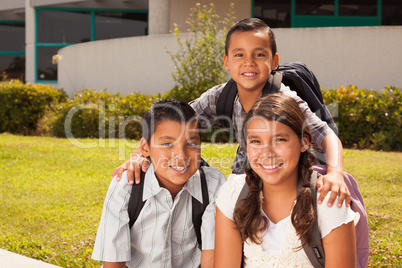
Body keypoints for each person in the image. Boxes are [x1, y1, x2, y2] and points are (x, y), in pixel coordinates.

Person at [113, 17, 351, 208]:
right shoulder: (221, 96)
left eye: (259, 54)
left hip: (288, 177)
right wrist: (138, 154)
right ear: (227, 62)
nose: (249, 62)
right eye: (239, 55)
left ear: (274, 61)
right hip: (247, 174)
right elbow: (174, 124)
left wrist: (336, 174)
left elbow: (327, 136)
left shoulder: (285, 100)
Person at [215, 93, 360, 267]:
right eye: (256, 141)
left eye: (280, 139)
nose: (267, 153)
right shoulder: (233, 193)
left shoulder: (327, 200)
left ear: (303, 142)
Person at [92, 99, 226, 268]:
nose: (180, 155)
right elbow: (113, 263)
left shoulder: (213, 185)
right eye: (167, 143)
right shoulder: (126, 186)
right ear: (145, 148)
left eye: (191, 143)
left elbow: (212, 259)